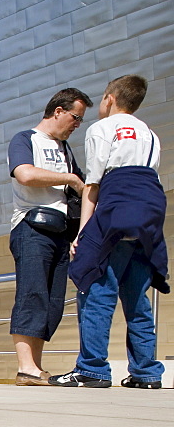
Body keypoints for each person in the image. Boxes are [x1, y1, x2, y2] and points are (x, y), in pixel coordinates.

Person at [50, 75, 169, 389]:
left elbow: (95, 183)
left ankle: (92, 369)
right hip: (150, 213)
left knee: (95, 290)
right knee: (137, 300)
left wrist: (83, 233)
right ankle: (147, 373)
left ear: (109, 99)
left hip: (117, 208)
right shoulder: (151, 134)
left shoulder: (101, 128)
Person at [7, 88, 92, 386]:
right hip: (32, 227)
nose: (77, 124)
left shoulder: (66, 150)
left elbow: (83, 190)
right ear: (58, 111)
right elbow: (26, 174)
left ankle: (34, 367)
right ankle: (25, 367)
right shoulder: (25, 139)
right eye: (75, 117)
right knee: (32, 294)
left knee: (52, 301)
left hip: (61, 232)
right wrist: (69, 178)